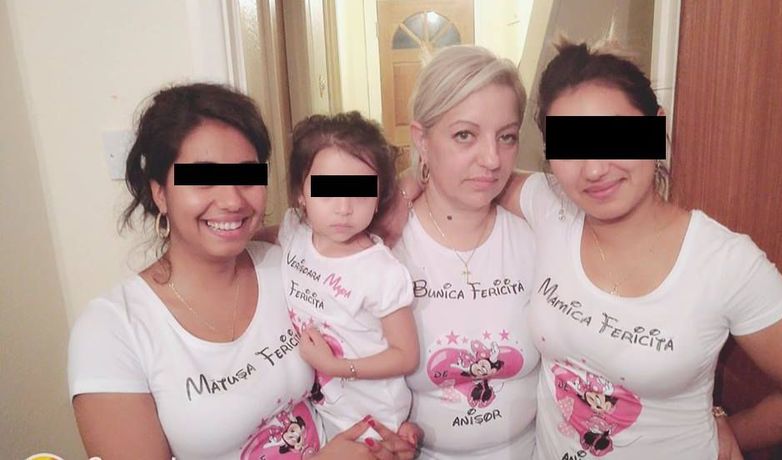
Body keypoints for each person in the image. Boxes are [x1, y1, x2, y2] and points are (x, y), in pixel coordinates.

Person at [68, 83, 416, 460]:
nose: (232, 200)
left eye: (248, 177)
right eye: (202, 179)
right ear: (160, 193)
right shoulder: (112, 331)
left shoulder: (285, 264)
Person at [491, 40, 782, 458]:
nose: (595, 169)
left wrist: (727, 435)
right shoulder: (551, 206)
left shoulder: (727, 263)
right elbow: (477, 177)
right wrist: (407, 186)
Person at [389, 45, 541, 459]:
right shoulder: (385, 244)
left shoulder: (537, 235)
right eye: (464, 135)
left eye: (506, 137)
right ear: (421, 139)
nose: (491, 159)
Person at [276, 111, 419, 441]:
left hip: (375, 422)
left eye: (360, 192)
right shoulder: (294, 232)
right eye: (327, 191)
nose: (343, 208)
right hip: (321, 412)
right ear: (300, 193)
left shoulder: (381, 271)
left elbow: (406, 355)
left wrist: (335, 367)